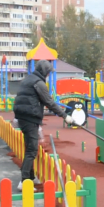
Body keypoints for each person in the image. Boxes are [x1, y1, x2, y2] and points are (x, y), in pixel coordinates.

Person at [13, 60, 75, 191]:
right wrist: (65, 116)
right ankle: (24, 182)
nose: (48, 75)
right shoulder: (39, 83)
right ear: (44, 72)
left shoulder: (28, 79)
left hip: (22, 116)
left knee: (29, 148)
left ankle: (30, 176)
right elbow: (49, 102)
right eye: (48, 73)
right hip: (29, 117)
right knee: (31, 150)